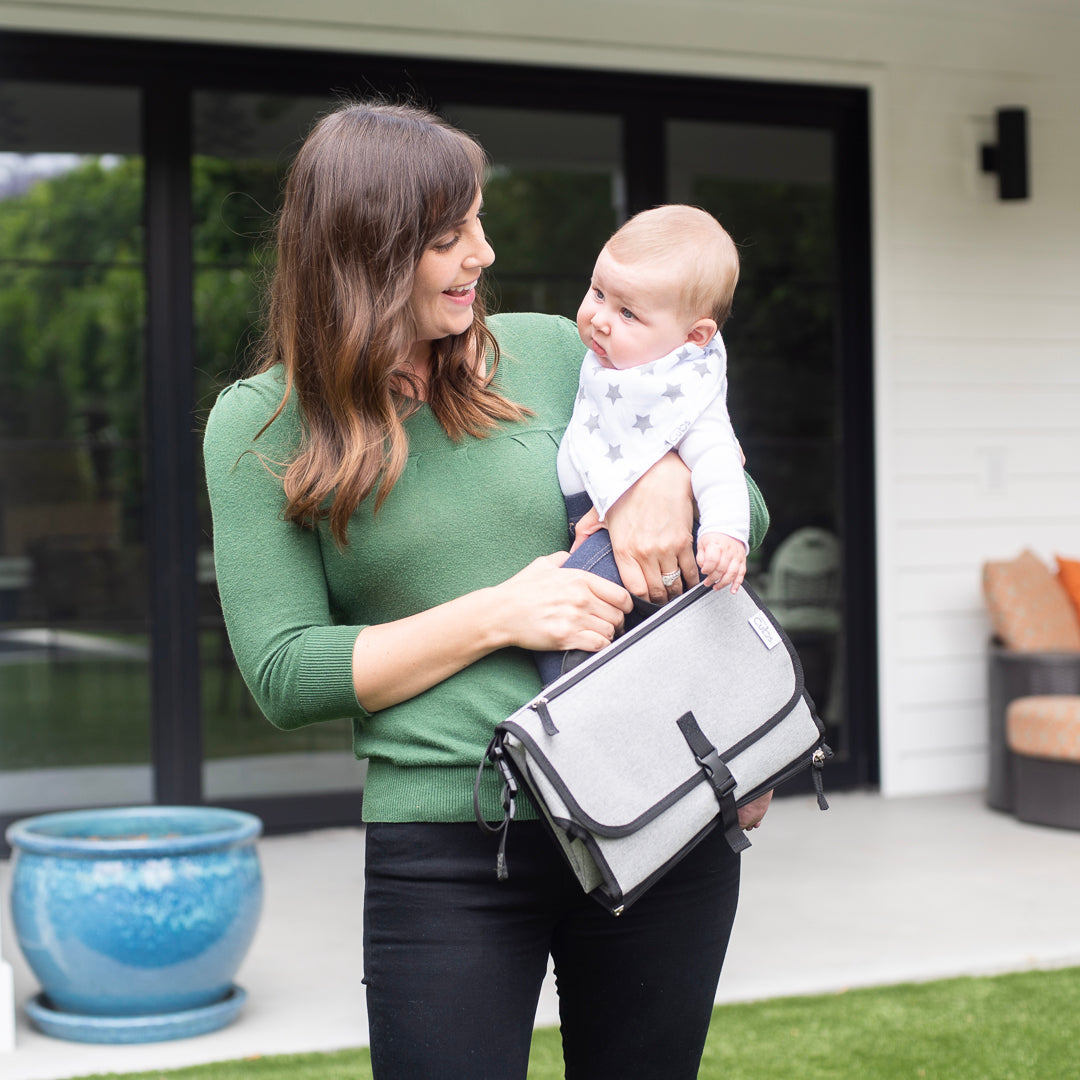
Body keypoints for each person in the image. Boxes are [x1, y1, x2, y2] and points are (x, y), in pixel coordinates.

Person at [203, 100, 774, 1080]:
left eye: (476, 221)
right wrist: (500, 614)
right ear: (366, 252)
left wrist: (663, 483)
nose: (483, 251)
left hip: (655, 809)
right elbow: (286, 671)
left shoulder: (552, 350)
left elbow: (744, 512)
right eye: (448, 235)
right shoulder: (261, 427)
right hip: (451, 845)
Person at [535, 204, 752, 683]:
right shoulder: (613, 365)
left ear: (694, 337)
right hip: (599, 527)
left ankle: (571, 708)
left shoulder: (684, 395)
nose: (600, 320)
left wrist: (726, 533)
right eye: (598, 293)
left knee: (572, 624)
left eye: (628, 312)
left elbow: (718, 460)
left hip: (622, 546)